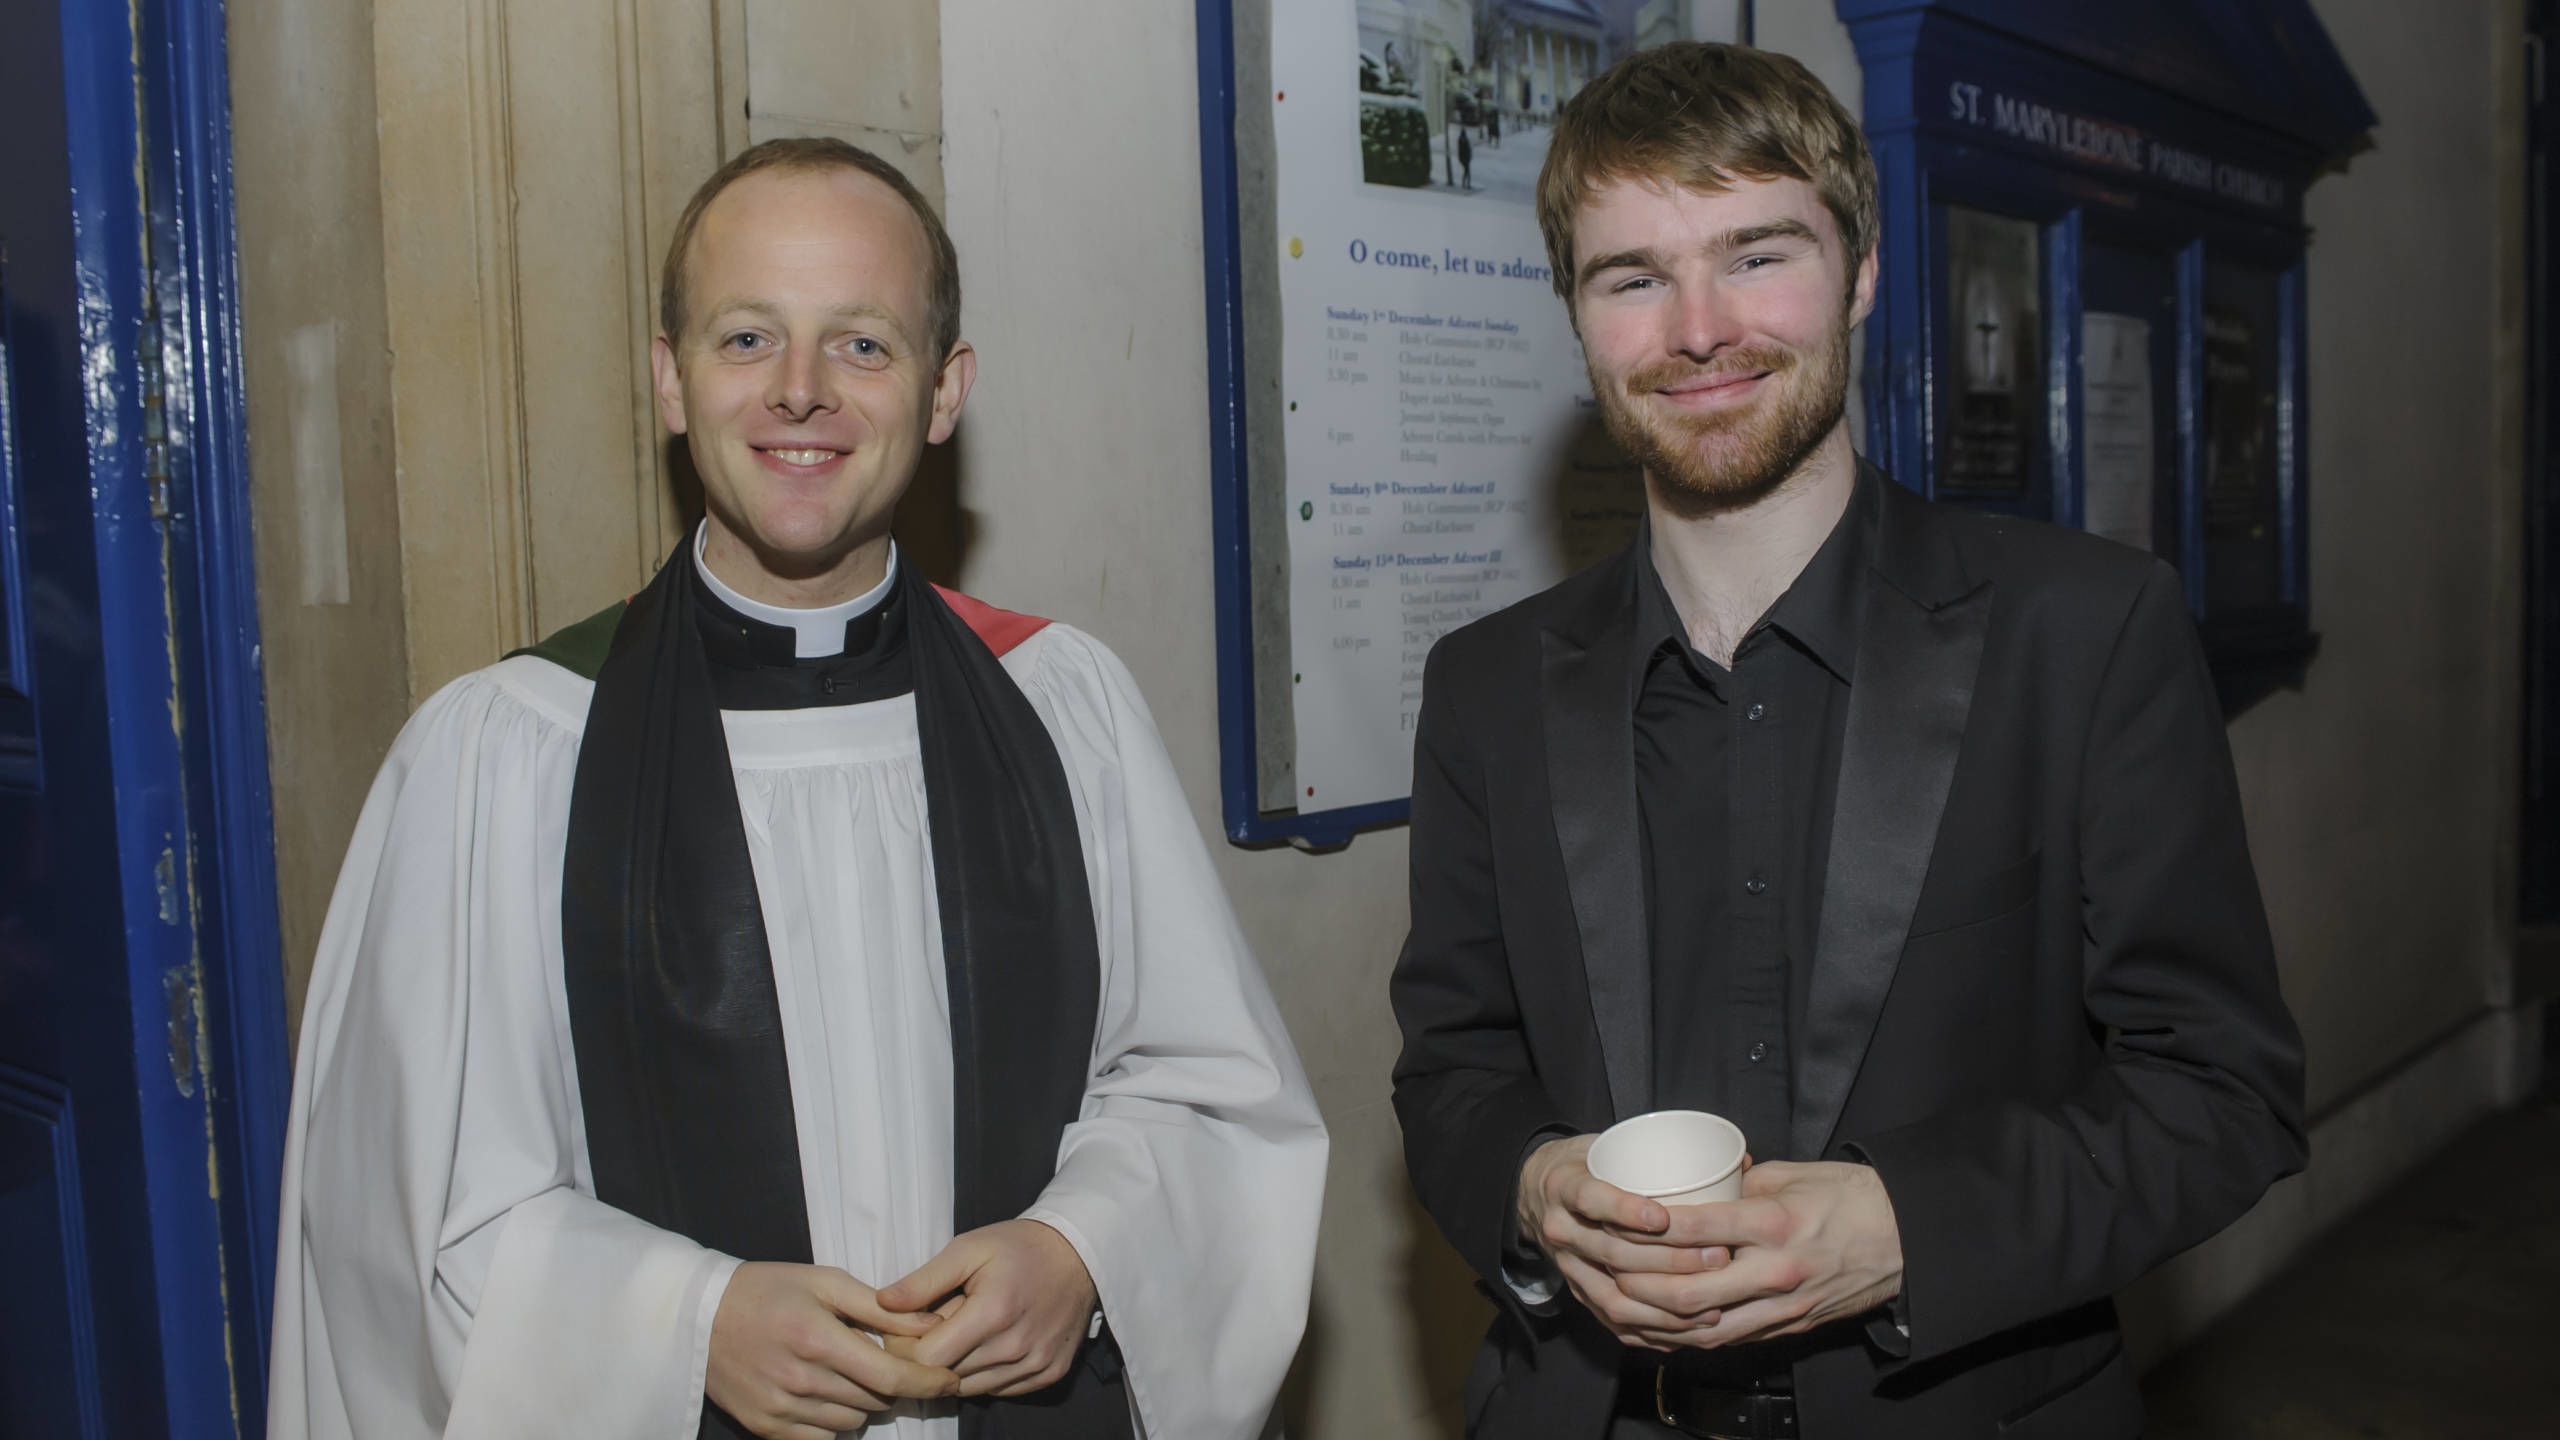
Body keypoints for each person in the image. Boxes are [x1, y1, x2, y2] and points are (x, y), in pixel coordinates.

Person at [267, 136, 1327, 1440]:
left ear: (945, 392)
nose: (802, 392)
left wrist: (1083, 1252)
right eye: (748, 338)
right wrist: (685, 1324)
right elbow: (406, 1216)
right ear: (672, 379)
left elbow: (1209, 1095)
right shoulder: (509, 753)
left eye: (863, 344)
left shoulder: (1064, 707)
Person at [1389, 43, 2303, 1440]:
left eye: (1758, 257)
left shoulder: (2084, 634)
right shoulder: (1487, 686)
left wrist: (1905, 1227)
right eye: (1632, 278)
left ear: (1862, 272)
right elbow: (1451, 1070)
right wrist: (1533, 1184)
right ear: (1576, 313)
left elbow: (2224, 1094)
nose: (1700, 329)